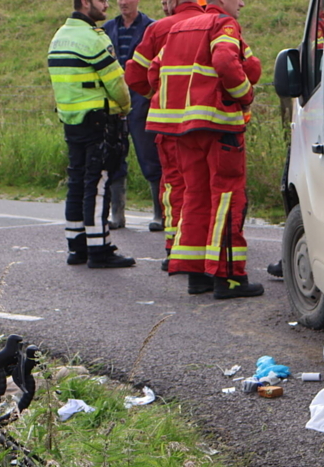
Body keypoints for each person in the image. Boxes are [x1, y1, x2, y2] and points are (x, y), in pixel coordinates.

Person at [147, 0, 264, 298]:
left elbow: (153, 71)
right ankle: (230, 278)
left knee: (195, 196)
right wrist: (245, 96)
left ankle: (197, 276)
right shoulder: (223, 24)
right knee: (227, 197)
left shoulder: (179, 28)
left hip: (183, 130)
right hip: (219, 126)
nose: (241, 3)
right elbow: (225, 61)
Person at [48, 0, 137, 268]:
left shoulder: (59, 37)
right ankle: (99, 249)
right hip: (99, 121)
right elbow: (116, 82)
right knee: (97, 184)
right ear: (86, 3)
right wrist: (125, 107)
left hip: (71, 120)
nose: (107, 5)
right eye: (101, 0)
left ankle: (77, 246)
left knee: (76, 181)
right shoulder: (93, 39)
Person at [125, 0, 206, 272]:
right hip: (207, 123)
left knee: (174, 185)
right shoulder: (217, 26)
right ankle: (208, 250)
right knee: (205, 186)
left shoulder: (159, 29)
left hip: (169, 124)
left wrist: (157, 95)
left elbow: (134, 75)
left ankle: (174, 248)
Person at [102, 0, 164, 233]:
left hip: (142, 101)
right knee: (114, 156)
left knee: (150, 156)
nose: (122, 3)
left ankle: (159, 213)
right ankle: (117, 214)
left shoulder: (152, 28)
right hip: (114, 101)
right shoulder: (108, 28)